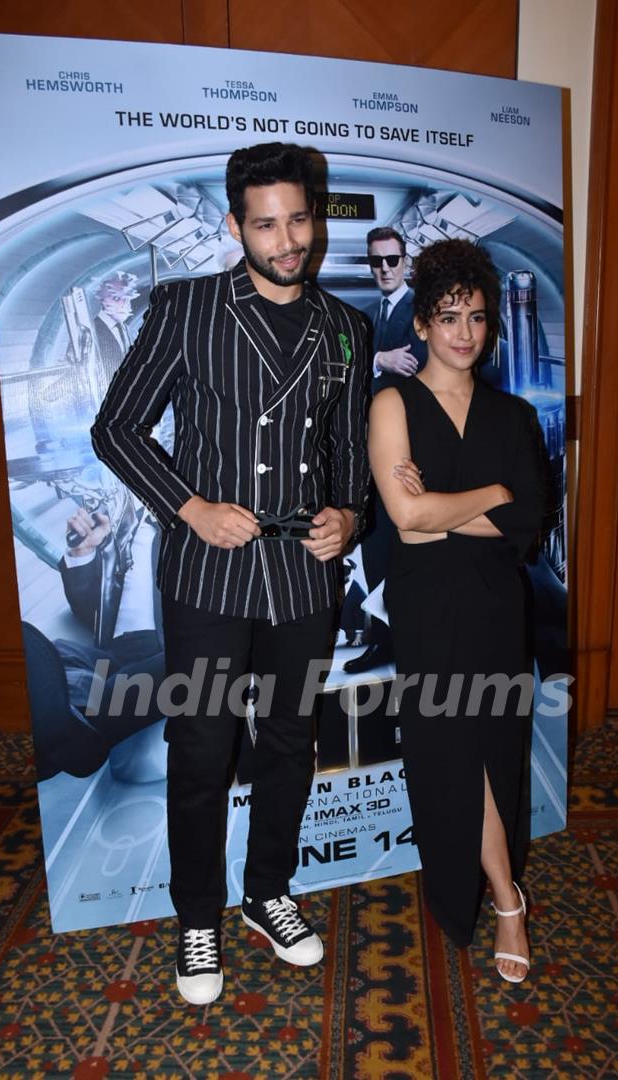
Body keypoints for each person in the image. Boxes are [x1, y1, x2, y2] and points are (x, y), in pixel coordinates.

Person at [91, 142, 369, 1006]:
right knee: (203, 745)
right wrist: (191, 506)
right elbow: (117, 429)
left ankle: (268, 892)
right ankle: (198, 914)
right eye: (265, 223)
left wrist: (350, 514)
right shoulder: (188, 309)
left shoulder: (347, 329)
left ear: (314, 217)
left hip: (300, 571)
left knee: (291, 737)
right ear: (233, 225)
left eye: (298, 219)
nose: (287, 241)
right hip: (208, 569)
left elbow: (351, 451)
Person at [368, 238, 545, 984]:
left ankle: (502, 886)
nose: (465, 332)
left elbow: (530, 524)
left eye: (476, 316)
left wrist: (446, 506)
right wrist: (491, 499)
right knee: (452, 752)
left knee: (495, 750)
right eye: (448, 316)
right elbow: (405, 521)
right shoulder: (391, 403)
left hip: (498, 605)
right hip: (428, 604)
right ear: (420, 325)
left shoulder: (512, 415)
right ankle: (507, 898)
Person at [344, 227, 426, 675]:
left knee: (407, 553)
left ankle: (409, 643)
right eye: (377, 262)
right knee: (376, 551)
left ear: (406, 262)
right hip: (374, 457)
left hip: (405, 457)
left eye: (392, 260)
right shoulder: (371, 315)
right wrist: (380, 360)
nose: (385, 269)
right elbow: (358, 366)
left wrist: (381, 362)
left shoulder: (419, 312)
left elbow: (415, 368)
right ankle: (384, 641)